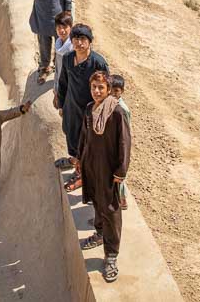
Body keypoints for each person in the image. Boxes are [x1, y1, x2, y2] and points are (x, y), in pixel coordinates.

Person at [78, 70, 131, 283]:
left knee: (111, 210)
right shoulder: (90, 109)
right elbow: (85, 135)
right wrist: (79, 160)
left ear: (108, 90)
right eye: (94, 87)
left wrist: (121, 171)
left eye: (101, 88)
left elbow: (124, 143)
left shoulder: (116, 112)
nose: (97, 91)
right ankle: (99, 233)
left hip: (109, 169)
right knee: (97, 203)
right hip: (91, 165)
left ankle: (111, 256)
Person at [55, 24, 109, 191]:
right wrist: (62, 104)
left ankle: (82, 173)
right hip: (71, 107)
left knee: (86, 140)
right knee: (71, 134)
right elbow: (63, 83)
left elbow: (107, 88)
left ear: (89, 42)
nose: (79, 43)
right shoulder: (68, 59)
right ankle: (75, 160)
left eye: (83, 39)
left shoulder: (98, 63)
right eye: (75, 39)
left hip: (89, 111)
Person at [52, 10, 75, 170]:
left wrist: (65, 99)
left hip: (70, 95)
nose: (62, 30)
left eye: (65, 27)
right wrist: (55, 91)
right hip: (61, 92)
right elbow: (58, 70)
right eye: (59, 27)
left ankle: (75, 161)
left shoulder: (72, 49)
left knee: (72, 128)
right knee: (67, 127)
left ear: (70, 27)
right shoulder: (59, 44)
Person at [108, 73, 131, 210]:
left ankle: (121, 200)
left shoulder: (122, 110)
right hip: (111, 146)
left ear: (122, 91)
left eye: (116, 91)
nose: (113, 93)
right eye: (110, 90)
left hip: (118, 148)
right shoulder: (109, 104)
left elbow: (125, 135)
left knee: (118, 177)